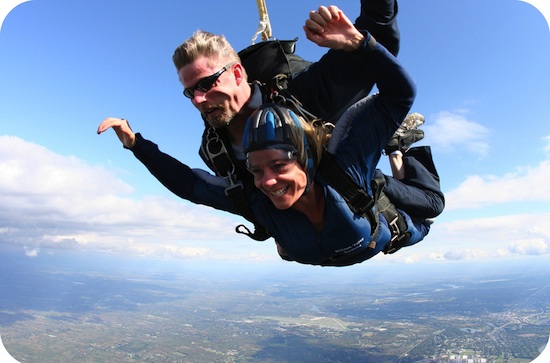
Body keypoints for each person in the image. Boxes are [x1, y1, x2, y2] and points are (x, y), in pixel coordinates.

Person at [98, 15, 435, 266]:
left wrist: (363, 44)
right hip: (331, 223)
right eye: (189, 92)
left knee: (431, 205)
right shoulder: (228, 163)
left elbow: (393, 82)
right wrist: (135, 144)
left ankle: (395, 144)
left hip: (362, 190)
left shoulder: (308, 100)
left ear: (238, 73)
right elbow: (193, 186)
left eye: (206, 84)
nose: (197, 100)